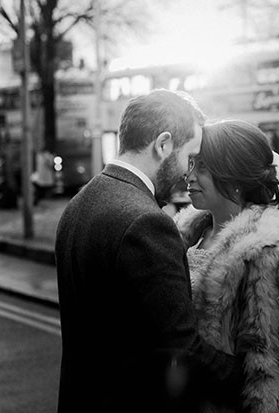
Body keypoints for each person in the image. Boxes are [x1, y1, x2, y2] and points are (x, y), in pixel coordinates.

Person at [55, 89, 243, 412]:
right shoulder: (146, 223)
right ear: (163, 144)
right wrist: (250, 378)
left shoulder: (77, 205)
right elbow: (182, 347)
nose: (188, 171)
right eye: (189, 156)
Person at [175, 119, 279, 412]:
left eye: (202, 167)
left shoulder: (268, 251)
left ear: (234, 176)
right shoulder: (181, 236)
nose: (189, 176)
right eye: (191, 164)